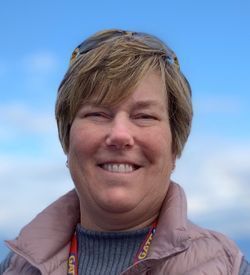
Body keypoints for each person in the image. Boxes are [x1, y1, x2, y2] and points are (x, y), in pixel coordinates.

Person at [0, 29, 249, 275]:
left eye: (144, 116)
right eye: (97, 114)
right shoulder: (17, 267)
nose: (120, 135)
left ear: (175, 145)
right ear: (67, 138)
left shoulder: (228, 268)